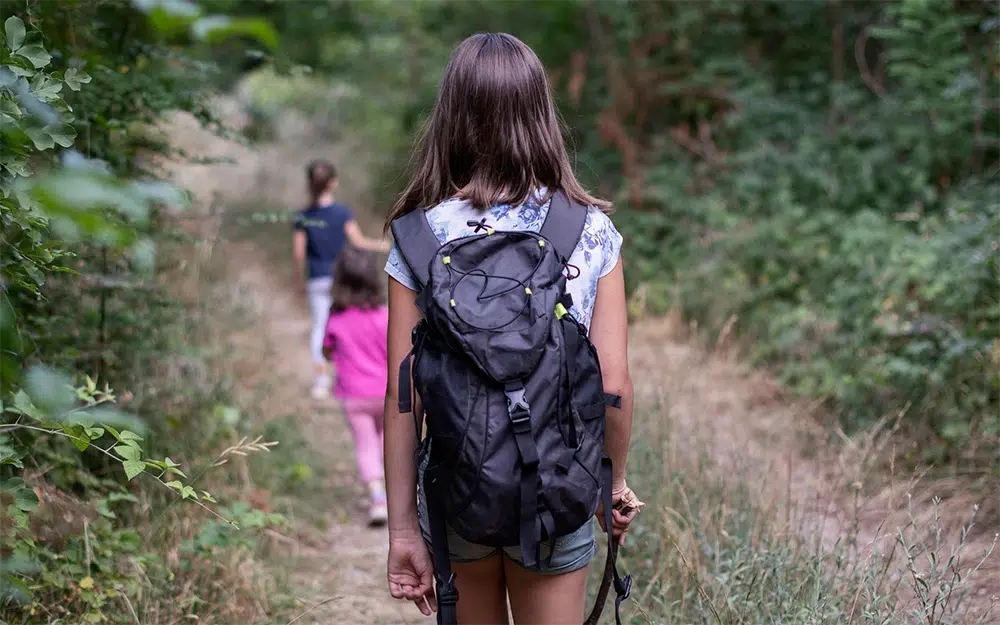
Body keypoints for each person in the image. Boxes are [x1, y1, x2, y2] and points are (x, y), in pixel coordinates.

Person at [382, 33, 641, 625]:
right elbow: (614, 383)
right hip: (558, 488)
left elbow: (404, 397)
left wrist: (403, 528)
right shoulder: (589, 231)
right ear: (540, 114)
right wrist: (613, 480)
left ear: (450, 117)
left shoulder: (420, 238)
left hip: (462, 492)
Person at [293, 160, 389, 399]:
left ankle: (320, 380)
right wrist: (382, 244)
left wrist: (298, 281)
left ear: (308, 183)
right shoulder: (342, 213)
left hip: (316, 279)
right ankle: (352, 372)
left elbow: (298, 253)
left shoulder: (303, 216)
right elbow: (358, 242)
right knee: (348, 324)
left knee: (319, 327)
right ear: (333, 183)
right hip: (342, 280)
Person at [322, 244, 389, 527]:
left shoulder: (336, 318)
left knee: (366, 446)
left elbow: (326, 350)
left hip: (355, 396)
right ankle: (402, 497)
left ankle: (377, 499)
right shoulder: (386, 315)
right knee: (391, 446)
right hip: (389, 393)